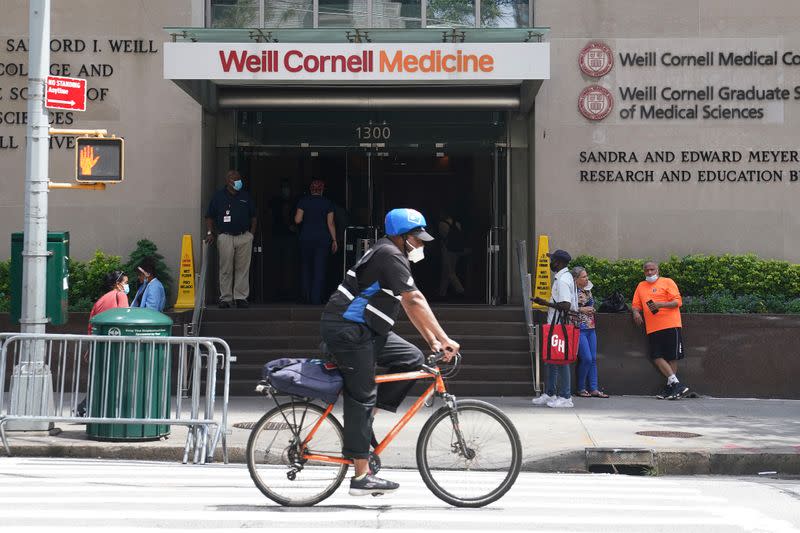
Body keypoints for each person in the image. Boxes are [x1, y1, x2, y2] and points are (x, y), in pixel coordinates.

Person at [320, 208, 460, 496]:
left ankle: (365, 419)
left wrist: (432, 342)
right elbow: (415, 299)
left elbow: (410, 305)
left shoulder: (391, 254)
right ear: (401, 237)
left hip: (368, 329)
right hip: (348, 331)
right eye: (417, 239)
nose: (421, 245)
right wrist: (445, 338)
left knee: (413, 359)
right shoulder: (389, 255)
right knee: (362, 394)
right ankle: (360, 476)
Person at [632, 261, 690, 400]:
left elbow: (677, 302)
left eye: (652, 269)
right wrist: (636, 313)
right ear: (644, 272)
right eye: (647, 270)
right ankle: (676, 384)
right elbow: (635, 305)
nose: (650, 272)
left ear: (658, 270)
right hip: (653, 327)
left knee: (672, 356)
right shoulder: (641, 286)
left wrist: (659, 304)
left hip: (670, 324)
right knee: (656, 356)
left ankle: (671, 387)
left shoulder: (667, 282)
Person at [532, 249, 578, 408]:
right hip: (554, 324)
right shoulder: (562, 277)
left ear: (558, 262)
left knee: (561, 360)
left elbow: (566, 305)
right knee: (551, 359)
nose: (551, 263)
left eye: (552, 260)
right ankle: (550, 393)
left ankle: (565, 397)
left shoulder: (562, 280)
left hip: (559, 326)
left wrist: (544, 303)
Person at [205, 170, 257, 308]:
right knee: (225, 268)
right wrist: (210, 232)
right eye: (235, 179)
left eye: (239, 178)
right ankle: (226, 298)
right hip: (225, 236)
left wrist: (251, 234)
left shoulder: (245, 196)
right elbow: (209, 216)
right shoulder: (218, 196)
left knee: (243, 268)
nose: (239, 181)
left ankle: (241, 297)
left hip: (243, 236)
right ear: (228, 181)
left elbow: (254, 217)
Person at [295, 179, 337, 305]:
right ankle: (316, 299)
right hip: (322, 239)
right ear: (322, 190)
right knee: (319, 269)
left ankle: (306, 297)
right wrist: (334, 240)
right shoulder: (327, 203)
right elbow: (330, 223)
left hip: (306, 238)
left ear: (311, 189)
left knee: (306, 268)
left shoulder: (303, 201)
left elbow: (297, 220)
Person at [571, 266, 608, 399]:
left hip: (591, 328)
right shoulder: (570, 291)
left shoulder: (588, 290)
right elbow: (566, 307)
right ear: (576, 279)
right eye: (584, 277)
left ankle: (594, 388)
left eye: (587, 276)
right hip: (579, 328)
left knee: (593, 359)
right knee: (586, 358)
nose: (587, 279)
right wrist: (582, 310)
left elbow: (591, 305)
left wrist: (591, 309)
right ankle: (580, 388)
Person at [268, 178, 299, 301]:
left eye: (287, 187)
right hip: (277, 236)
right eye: (284, 187)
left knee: (289, 265)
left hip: (290, 237)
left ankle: (289, 291)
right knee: (277, 264)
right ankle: (277, 291)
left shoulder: (295, 201)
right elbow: (269, 216)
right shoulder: (275, 201)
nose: (286, 190)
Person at [437, 211, 466, 298]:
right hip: (456, 250)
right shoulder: (457, 224)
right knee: (448, 271)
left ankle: (460, 290)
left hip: (447, 249)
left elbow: (443, 237)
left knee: (449, 271)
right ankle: (442, 292)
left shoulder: (442, 224)